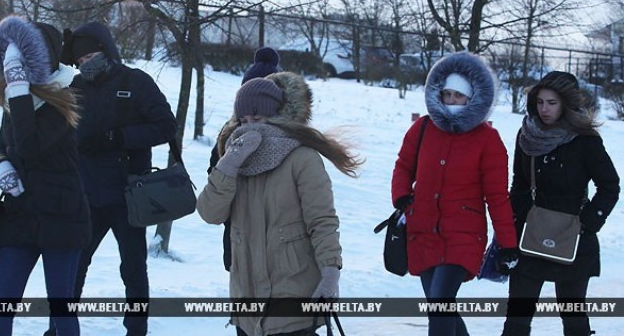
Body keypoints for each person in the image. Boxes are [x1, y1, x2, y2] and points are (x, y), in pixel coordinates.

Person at [197, 73, 362, 336]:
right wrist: (228, 165)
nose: (249, 126)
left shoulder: (302, 158)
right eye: (244, 120)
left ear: (277, 116)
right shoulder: (233, 157)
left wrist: (330, 271)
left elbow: (322, 221)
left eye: (258, 119)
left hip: (294, 296)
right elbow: (209, 213)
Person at [43, 21, 178, 336]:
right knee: (74, 266)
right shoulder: (74, 87)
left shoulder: (137, 82)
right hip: (86, 194)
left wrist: (117, 137)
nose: (85, 65)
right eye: (80, 62)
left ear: (106, 51)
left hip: (129, 192)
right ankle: (60, 328)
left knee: (133, 268)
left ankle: (136, 329)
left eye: (89, 58)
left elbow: (165, 126)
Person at [391, 51, 519, 336]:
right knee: (441, 307)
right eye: (447, 94)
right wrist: (402, 198)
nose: (451, 101)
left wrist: (508, 244)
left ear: (472, 97)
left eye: (458, 96)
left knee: (439, 305)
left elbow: (497, 196)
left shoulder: (487, 139)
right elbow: (403, 166)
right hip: (422, 230)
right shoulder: (422, 128)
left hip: (463, 235)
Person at [0, 15, 90, 336]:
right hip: (20, 216)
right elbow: (5, 145)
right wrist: (1, 164)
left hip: (62, 218)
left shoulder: (63, 102)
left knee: (61, 307)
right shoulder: (14, 102)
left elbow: (30, 147)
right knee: (3, 303)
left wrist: (18, 90)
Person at [501, 71, 620, 336]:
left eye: (552, 103)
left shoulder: (585, 140)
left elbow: (609, 186)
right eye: (540, 102)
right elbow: (518, 186)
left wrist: (587, 224)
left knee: (574, 319)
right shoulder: (527, 136)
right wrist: (513, 226)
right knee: (516, 320)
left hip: (573, 241)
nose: (544, 109)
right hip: (530, 238)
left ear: (567, 103)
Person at [206, 46, 282, 272]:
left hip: (277, 236)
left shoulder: (290, 138)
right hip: (237, 230)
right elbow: (213, 173)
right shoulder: (229, 132)